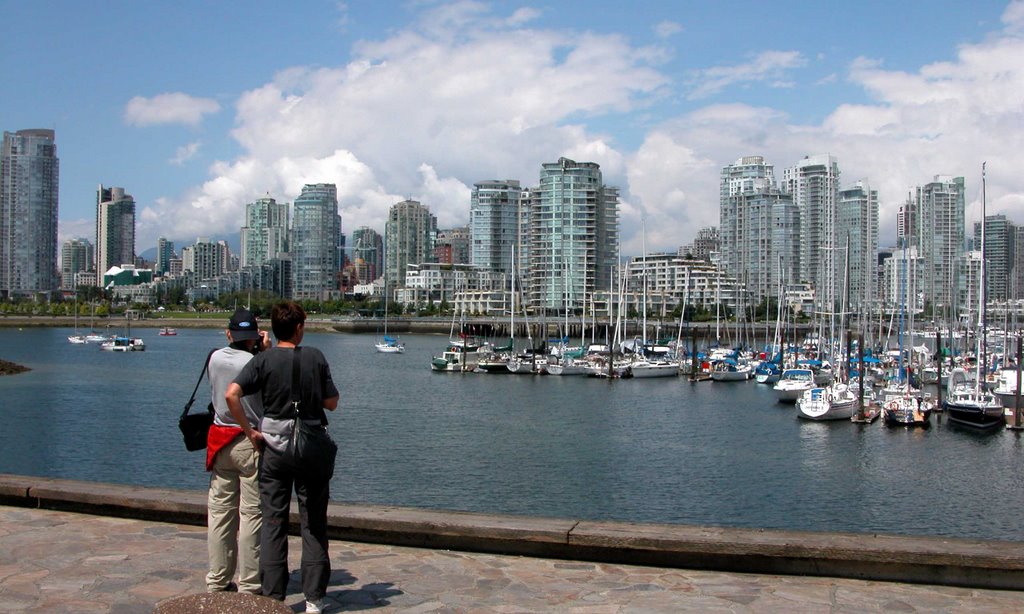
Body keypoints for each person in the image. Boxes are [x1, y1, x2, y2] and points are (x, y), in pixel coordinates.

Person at [226, 301, 339, 613]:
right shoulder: (315, 357)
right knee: (313, 523)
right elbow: (332, 403)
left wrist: (249, 431)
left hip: (273, 450)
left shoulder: (264, 360)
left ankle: (273, 598)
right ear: (300, 327)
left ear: (272, 331)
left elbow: (231, 393)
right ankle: (314, 599)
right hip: (311, 449)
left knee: (273, 521)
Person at [205, 308, 271, 594]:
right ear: (255, 335)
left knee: (220, 514)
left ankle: (217, 580)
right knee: (251, 514)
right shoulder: (256, 362)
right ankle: (250, 582)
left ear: (228, 333)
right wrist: (263, 352)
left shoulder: (214, 358)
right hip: (249, 440)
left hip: (219, 441)